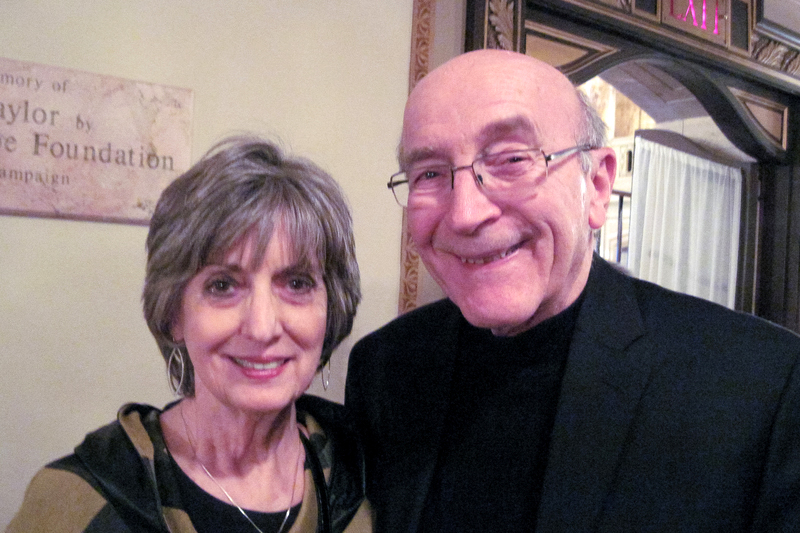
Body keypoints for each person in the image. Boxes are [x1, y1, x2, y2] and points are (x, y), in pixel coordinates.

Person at [345, 49, 800, 532]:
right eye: (430, 174)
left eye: (511, 160)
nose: (465, 214)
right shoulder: (385, 368)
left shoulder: (760, 386)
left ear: (597, 185)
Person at [9, 136, 372, 533]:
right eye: (223, 286)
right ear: (173, 315)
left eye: (297, 283)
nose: (262, 327)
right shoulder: (77, 504)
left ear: (331, 308)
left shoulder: (370, 480)